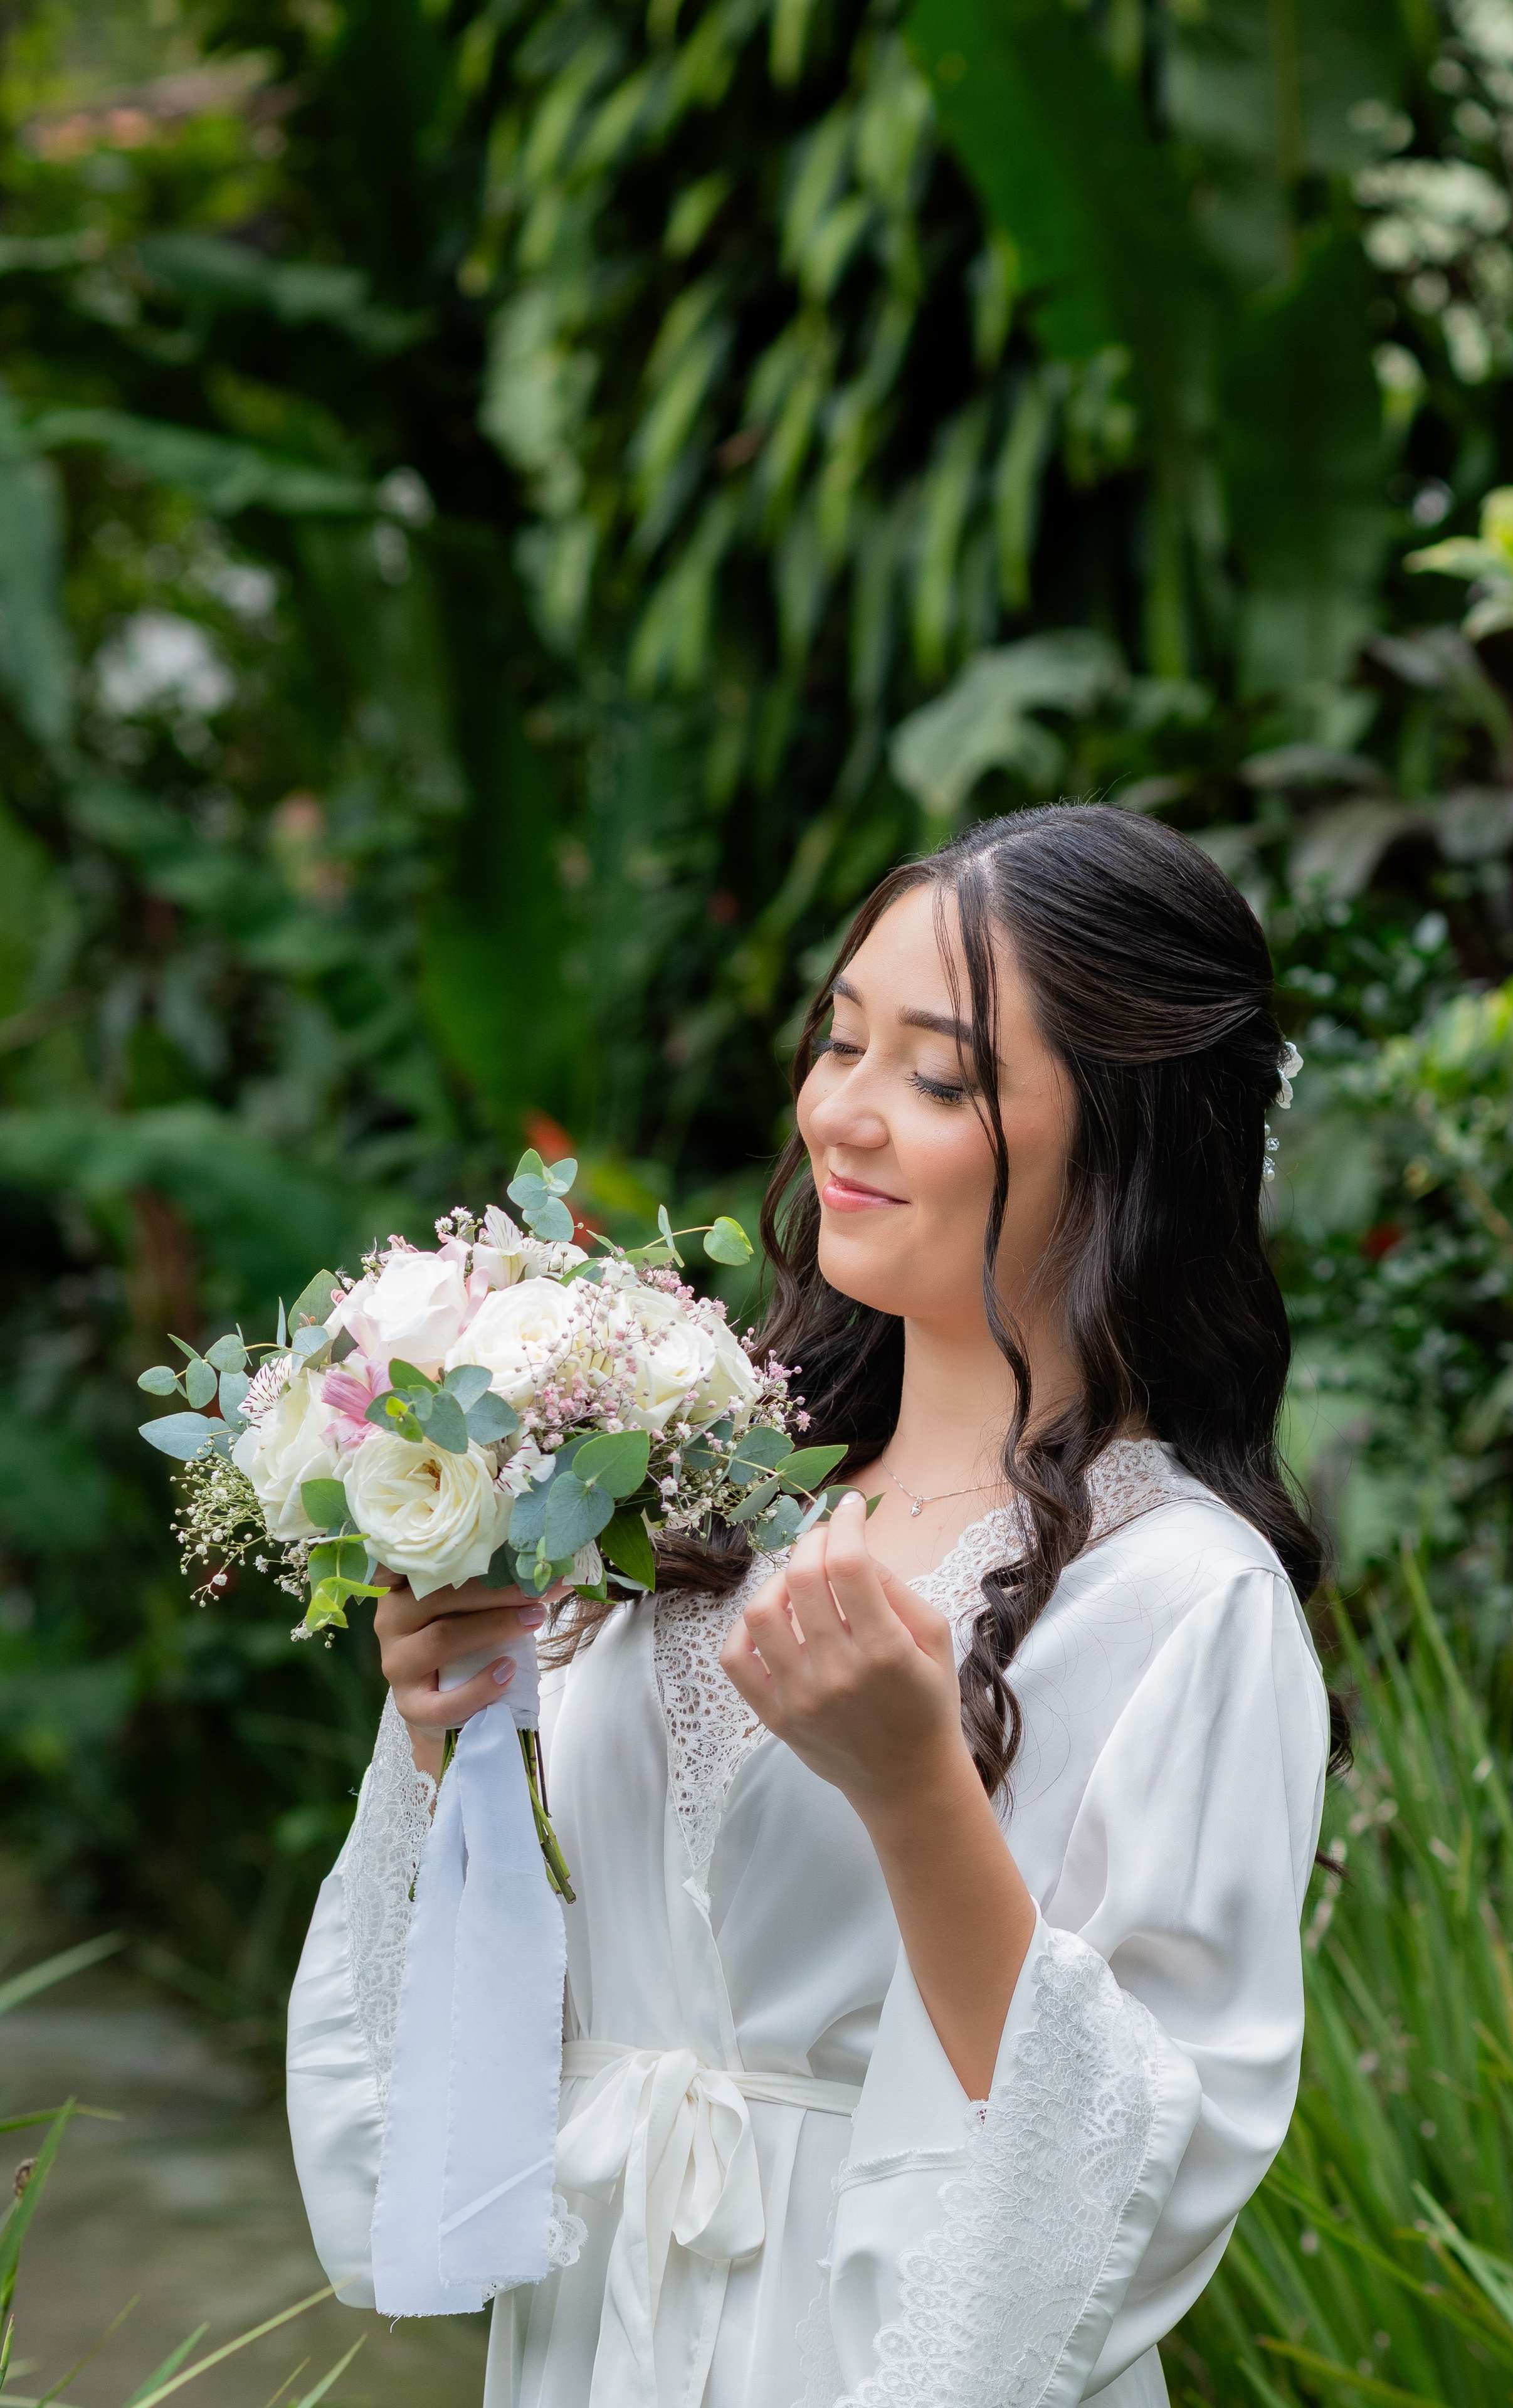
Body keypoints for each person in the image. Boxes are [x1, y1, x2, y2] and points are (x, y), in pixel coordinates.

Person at [287, 801, 1334, 2407]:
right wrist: (450, 1746)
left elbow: (1139, 2160)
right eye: (837, 1043)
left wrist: (917, 1794)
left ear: (1128, 1133)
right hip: (596, 2342)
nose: (842, 1113)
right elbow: (510, 2009)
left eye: (936, 1074)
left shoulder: (1184, 1600)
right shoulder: (689, 1511)